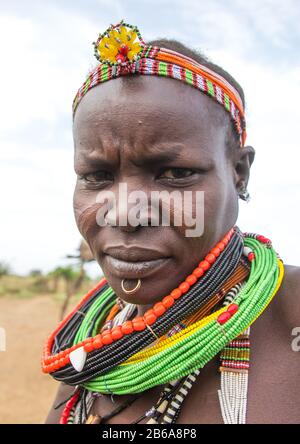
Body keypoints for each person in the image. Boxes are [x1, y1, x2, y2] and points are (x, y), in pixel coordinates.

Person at [44, 21, 300, 424]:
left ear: (239, 173)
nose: (125, 213)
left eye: (175, 173)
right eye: (96, 176)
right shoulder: (91, 349)